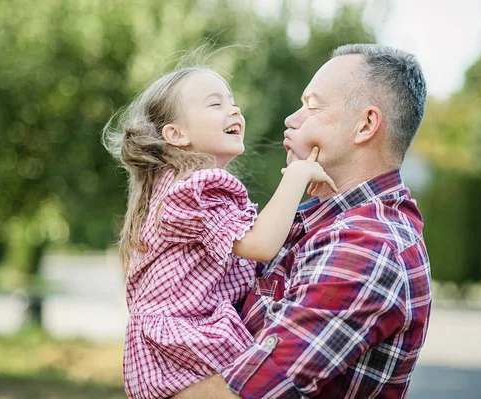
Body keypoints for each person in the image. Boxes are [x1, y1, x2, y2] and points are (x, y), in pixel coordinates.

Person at [175, 44, 432, 399]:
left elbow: (244, 393)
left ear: (366, 125)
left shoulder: (365, 247)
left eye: (312, 106)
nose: (292, 119)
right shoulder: (317, 224)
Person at [103, 63, 337, 399]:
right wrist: (296, 175)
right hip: (186, 339)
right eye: (216, 105)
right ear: (176, 135)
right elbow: (260, 245)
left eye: (232, 102)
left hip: (167, 345)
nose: (234, 110)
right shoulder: (196, 188)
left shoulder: (178, 186)